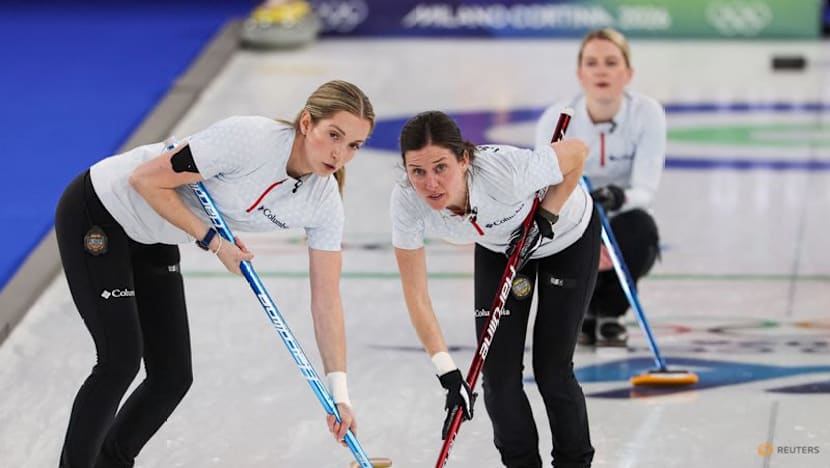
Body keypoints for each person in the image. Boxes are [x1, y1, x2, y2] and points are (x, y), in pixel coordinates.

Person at [54, 80, 374, 468]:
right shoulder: (250, 139)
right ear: (307, 123)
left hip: (153, 234)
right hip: (101, 211)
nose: (339, 153)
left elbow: (327, 300)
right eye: (334, 135)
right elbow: (144, 179)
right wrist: (214, 241)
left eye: (354, 145)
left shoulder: (323, 203)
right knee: (120, 360)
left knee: (172, 376)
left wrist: (339, 394)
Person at [392, 110, 600, 467]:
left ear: (464, 159)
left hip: (567, 238)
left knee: (552, 369)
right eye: (418, 172)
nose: (430, 184)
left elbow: (577, 152)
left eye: (441, 167)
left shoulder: (507, 174)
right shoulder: (407, 203)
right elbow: (416, 293)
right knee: (497, 377)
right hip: (499, 247)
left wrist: (546, 215)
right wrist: (446, 371)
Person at [535, 28, 666, 347]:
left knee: (640, 228)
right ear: (580, 73)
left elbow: (645, 189)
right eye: (592, 63)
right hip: (572, 215)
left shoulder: (647, 114)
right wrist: (584, 213)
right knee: (556, 233)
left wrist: (617, 198)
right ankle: (583, 310)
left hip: (622, 216)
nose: (602, 70)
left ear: (628, 72)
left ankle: (611, 313)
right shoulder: (557, 118)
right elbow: (542, 187)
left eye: (611, 62)